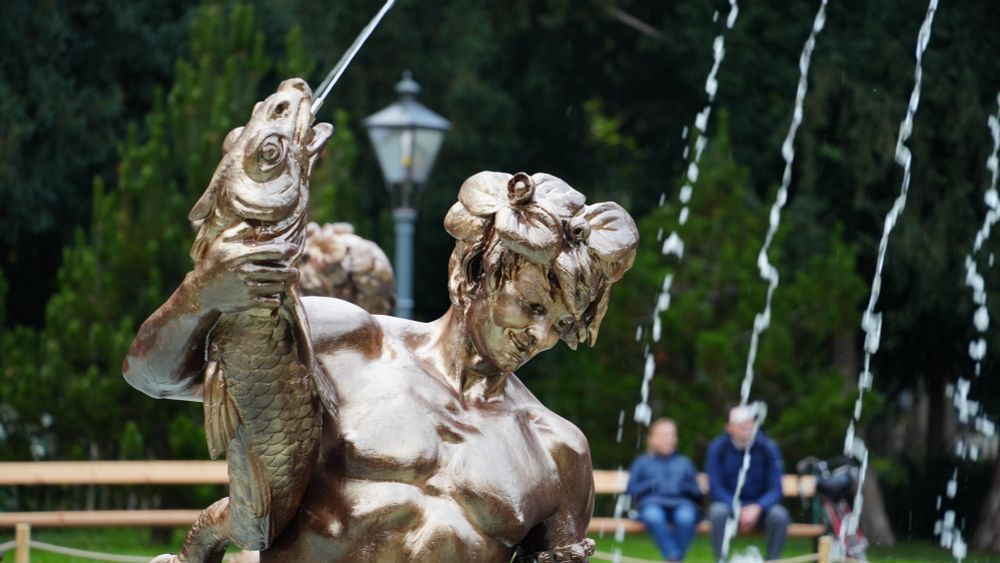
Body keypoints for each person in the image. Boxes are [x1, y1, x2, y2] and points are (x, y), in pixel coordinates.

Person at [123, 108, 640, 563]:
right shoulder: (346, 343)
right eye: (529, 306)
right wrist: (203, 293)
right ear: (471, 274)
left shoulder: (557, 451)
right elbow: (153, 376)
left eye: (560, 322)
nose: (540, 334)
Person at [705, 405, 790, 562]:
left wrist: (758, 507)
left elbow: (775, 489)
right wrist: (735, 506)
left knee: (780, 516)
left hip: (761, 510)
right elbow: (715, 487)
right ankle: (720, 560)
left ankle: (772, 560)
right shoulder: (717, 448)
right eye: (740, 421)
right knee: (717, 512)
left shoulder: (768, 448)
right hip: (728, 507)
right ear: (728, 427)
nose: (746, 425)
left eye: (749, 420)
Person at [626, 418, 702, 562]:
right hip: (652, 504)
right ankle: (674, 557)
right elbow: (631, 489)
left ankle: (673, 558)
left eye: (672, 435)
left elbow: (697, 493)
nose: (669, 439)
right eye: (663, 435)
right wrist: (653, 485)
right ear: (652, 439)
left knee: (686, 518)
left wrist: (680, 486)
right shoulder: (642, 462)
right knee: (653, 516)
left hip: (682, 504)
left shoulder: (685, 462)